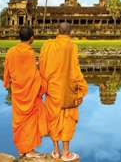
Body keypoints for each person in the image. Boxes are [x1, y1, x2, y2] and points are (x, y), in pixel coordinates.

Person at [40, 22, 88, 161]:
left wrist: (43, 85)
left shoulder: (48, 45)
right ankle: (66, 153)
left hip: (52, 90)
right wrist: (81, 88)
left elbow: (42, 66)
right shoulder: (72, 46)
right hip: (68, 90)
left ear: (57, 31)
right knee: (68, 119)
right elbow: (75, 69)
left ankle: (55, 151)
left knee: (53, 119)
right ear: (70, 32)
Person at [3, 26, 47, 158]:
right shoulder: (29, 53)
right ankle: (30, 151)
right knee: (31, 120)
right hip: (30, 94)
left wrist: (7, 83)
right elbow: (33, 76)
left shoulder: (11, 51)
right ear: (32, 38)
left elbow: (7, 70)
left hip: (17, 93)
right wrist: (43, 85)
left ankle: (23, 149)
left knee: (20, 121)